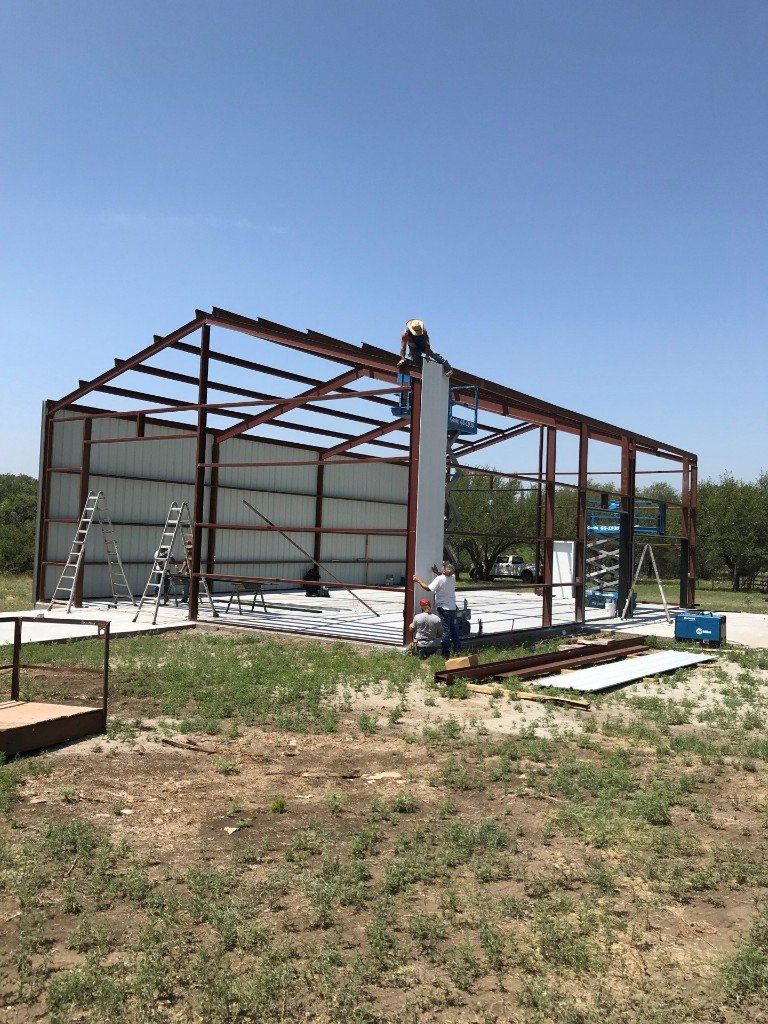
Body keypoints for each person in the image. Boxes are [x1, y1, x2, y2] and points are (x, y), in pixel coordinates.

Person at [413, 561, 461, 657]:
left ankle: (445, 653)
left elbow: (428, 588)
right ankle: (457, 649)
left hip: (444, 608)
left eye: (443, 567)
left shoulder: (439, 579)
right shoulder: (453, 577)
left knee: (446, 631)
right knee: (453, 629)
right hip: (452, 607)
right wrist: (436, 572)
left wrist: (418, 580)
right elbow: (445, 577)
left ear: (444, 570)